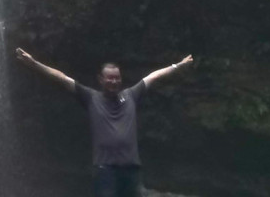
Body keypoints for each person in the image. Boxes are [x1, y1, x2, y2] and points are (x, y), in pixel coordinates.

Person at [15, 48, 194, 197]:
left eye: (117, 78)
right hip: (105, 170)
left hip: (131, 169)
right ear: (101, 79)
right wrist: (34, 64)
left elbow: (154, 77)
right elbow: (61, 78)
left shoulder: (131, 95)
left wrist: (178, 66)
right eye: (110, 78)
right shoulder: (91, 98)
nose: (114, 81)